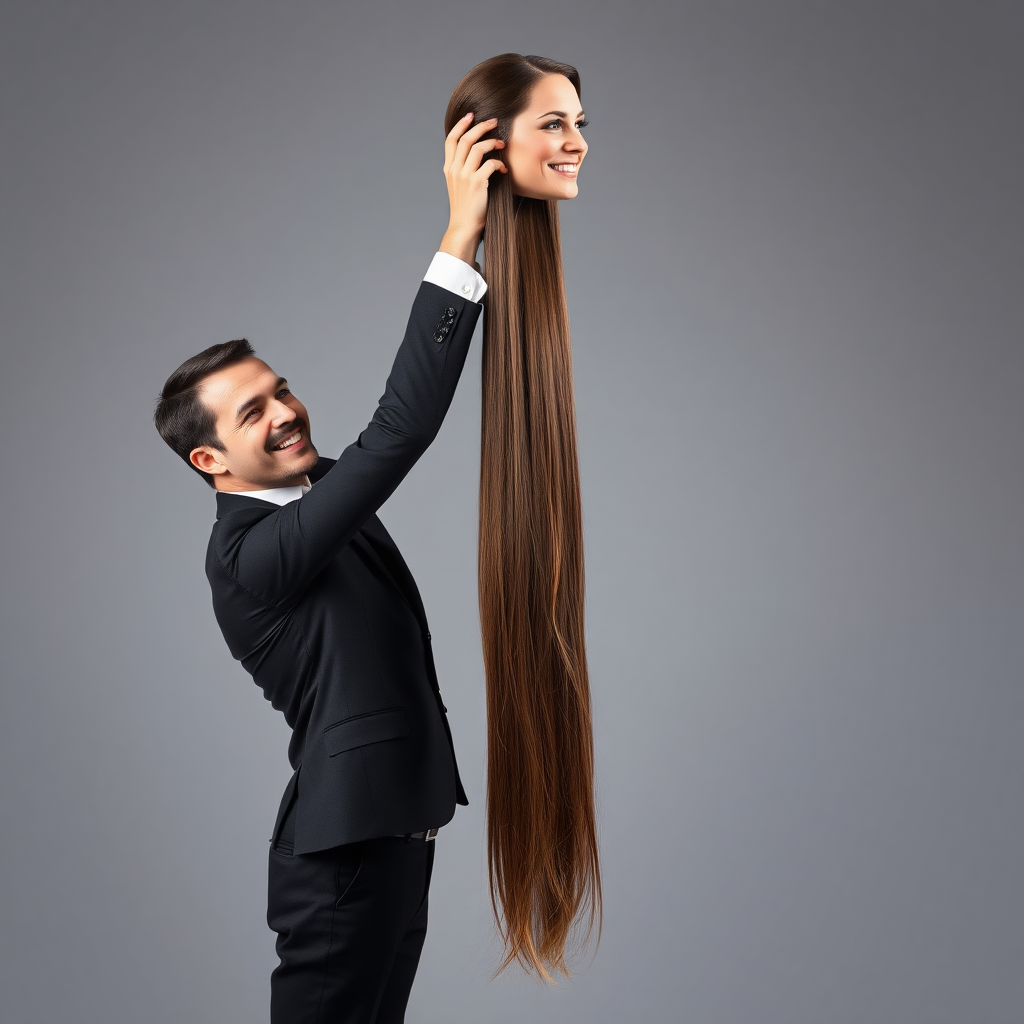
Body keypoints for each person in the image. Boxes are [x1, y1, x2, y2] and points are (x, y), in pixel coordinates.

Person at [154, 112, 505, 1024]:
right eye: (252, 412)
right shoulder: (253, 555)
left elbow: (386, 443)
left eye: (281, 388)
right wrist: (460, 231)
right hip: (341, 860)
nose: (284, 412)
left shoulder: (310, 506)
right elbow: (399, 434)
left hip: (393, 838)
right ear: (211, 463)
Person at [444, 54, 601, 979]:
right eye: (555, 122)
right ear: (487, 142)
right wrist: (458, 237)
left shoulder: (543, 289)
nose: (577, 141)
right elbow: (401, 429)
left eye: (580, 122)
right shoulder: (463, 268)